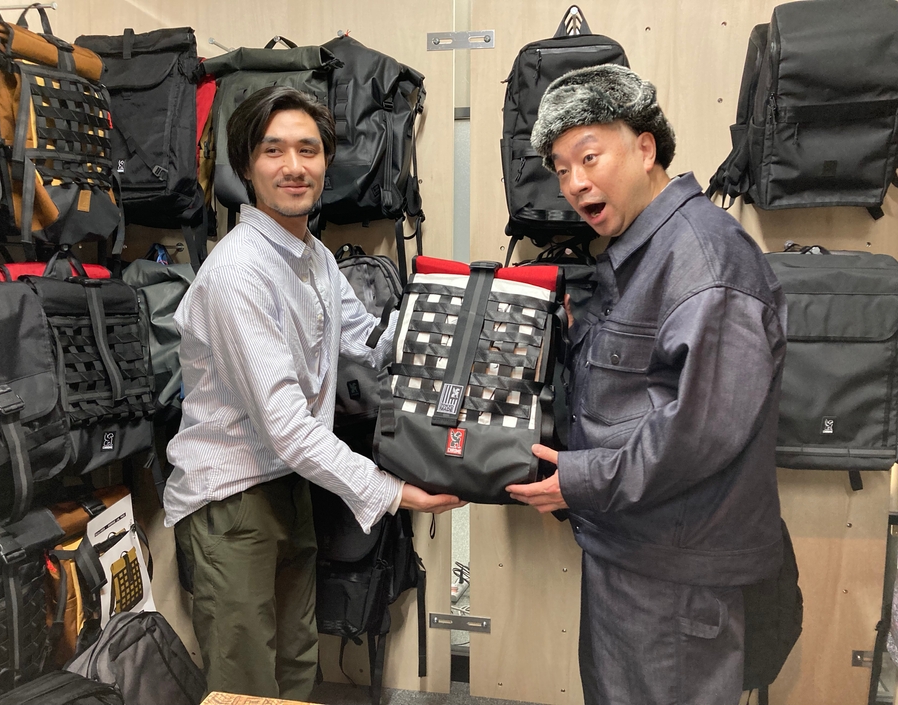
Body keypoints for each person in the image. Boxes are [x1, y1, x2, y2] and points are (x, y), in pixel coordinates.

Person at [163, 86, 463, 700]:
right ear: (246, 166)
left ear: (327, 161)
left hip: (288, 484)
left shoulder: (314, 256)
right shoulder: (239, 272)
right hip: (232, 501)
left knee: (298, 663)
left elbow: (369, 341)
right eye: (274, 151)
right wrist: (393, 492)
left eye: (308, 149)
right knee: (246, 686)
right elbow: (288, 428)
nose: (294, 166)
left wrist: (459, 331)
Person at [506, 65, 787, 705]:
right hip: (635, 554)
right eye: (561, 168)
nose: (575, 183)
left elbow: (697, 435)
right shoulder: (644, 250)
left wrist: (579, 480)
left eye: (589, 157)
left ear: (645, 147)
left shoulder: (704, 259)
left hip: (674, 582)